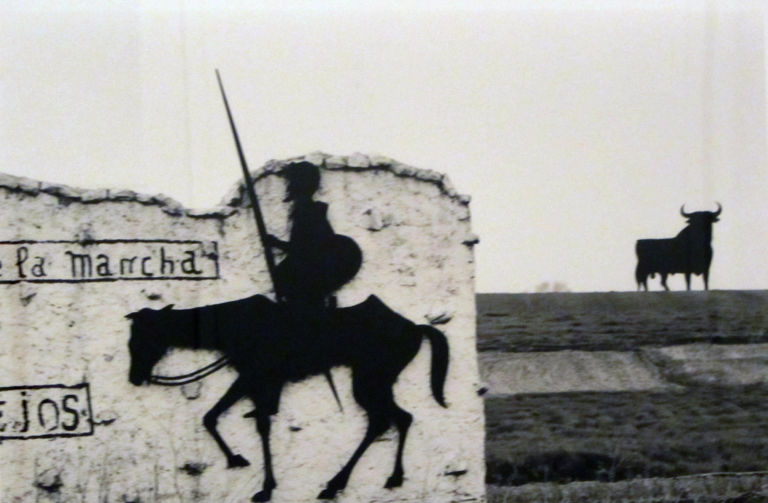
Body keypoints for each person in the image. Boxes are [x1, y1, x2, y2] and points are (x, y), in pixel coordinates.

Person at [266, 161, 362, 325]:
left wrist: (276, 243)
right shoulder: (305, 209)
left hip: (311, 285)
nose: (289, 185)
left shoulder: (307, 211)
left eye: (292, 181)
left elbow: (307, 249)